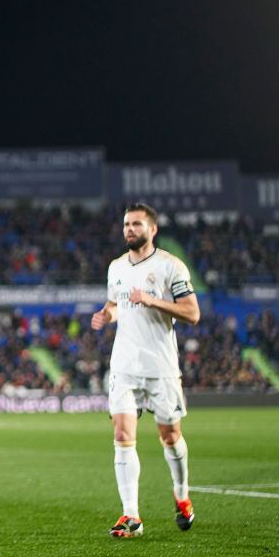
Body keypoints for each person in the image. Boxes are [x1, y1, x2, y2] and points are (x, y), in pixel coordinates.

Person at [91, 202, 200, 538]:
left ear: (152, 230)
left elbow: (192, 313)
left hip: (161, 366)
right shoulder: (116, 268)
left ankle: (181, 495)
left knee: (170, 437)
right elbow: (115, 304)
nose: (129, 229)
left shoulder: (171, 267)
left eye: (136, 224)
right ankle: (131, 515)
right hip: (124, 364)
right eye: (126, 224)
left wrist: (153, 300)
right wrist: (105, 315)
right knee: (123, 436)